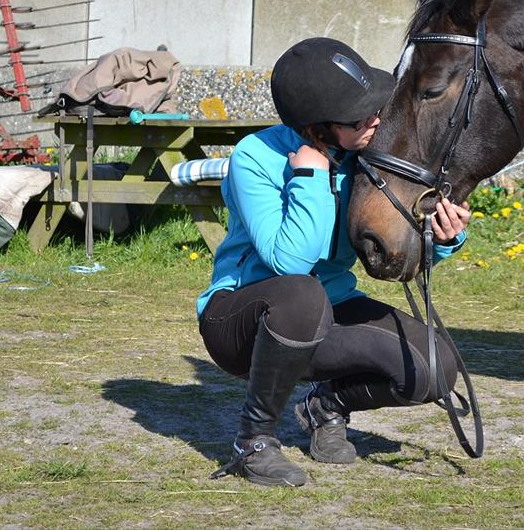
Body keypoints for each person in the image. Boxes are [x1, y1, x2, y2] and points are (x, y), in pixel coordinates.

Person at [198, 37, 472, 487]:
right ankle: (253, 442)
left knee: (436, 368)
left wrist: (442, 237)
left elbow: (391, 248)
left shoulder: (364, 158)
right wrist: (309, 174)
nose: (376, 120)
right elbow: (289, 261)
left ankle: (324, 407)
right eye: (359, 117)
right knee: (302, 293)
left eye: (375, 106)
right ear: (317, 128)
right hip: (239, 317)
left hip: (330, 307)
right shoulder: (255, 157)